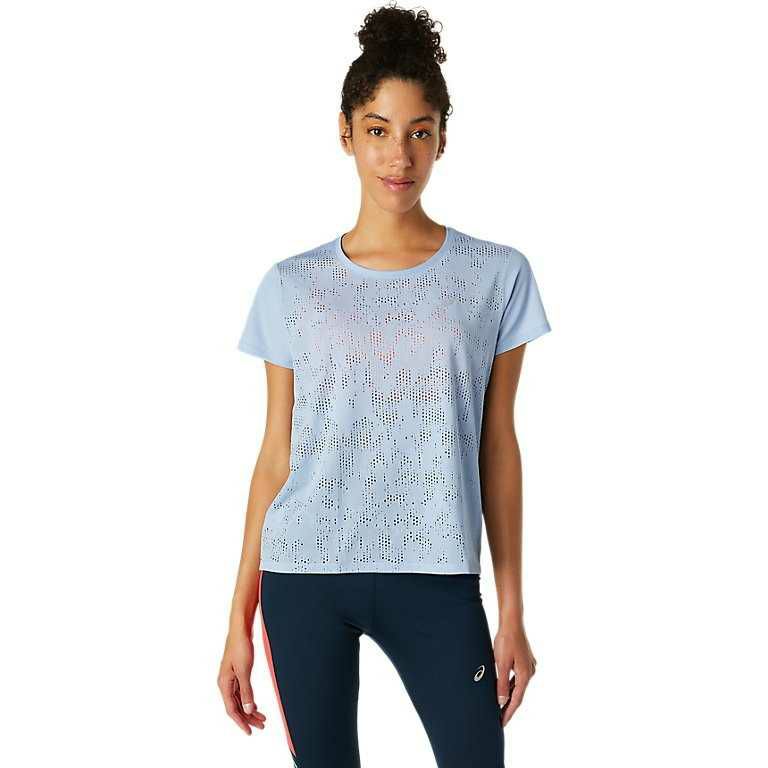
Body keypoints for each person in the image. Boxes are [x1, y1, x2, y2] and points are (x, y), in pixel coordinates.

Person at [218, 5, 550, 767]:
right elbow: (275, 456)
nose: (399, 155)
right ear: (345, 133)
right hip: (303, 575)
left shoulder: (495, 276)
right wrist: (238, 617)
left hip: (438, 575)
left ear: (442, 138)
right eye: (378, 129)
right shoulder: (291, 286)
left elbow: (498, 447)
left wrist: (512, 610)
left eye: (419, 131)